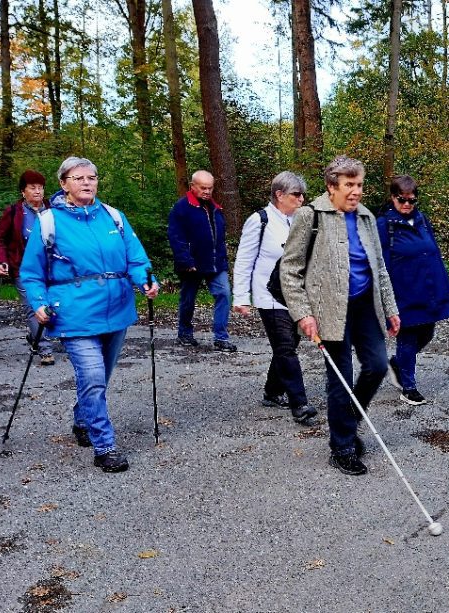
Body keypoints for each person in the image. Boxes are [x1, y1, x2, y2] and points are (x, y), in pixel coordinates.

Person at [20, 156, 159, 473]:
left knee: (101, 377)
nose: (86, 182)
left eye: (92, 177)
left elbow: (137, 260)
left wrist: (147, 282)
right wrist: (39, 301)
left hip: (117, 310)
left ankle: (83, 418)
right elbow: (30, 273)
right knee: (93, 377)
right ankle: (105, 447)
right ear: (64, 183)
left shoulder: (113, 217)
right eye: (78, 177)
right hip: (74, 313)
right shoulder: (49, 221)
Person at [281, 156, 400, 476]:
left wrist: (390, 308)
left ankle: (348, 419)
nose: (356, 191)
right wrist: (303, 314)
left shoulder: (365, 218)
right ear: (332, 187)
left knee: (376, 365)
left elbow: (380, 267)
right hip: (328, 309)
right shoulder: (310, 216)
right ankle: (342, 447)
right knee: (341, 379)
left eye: (359, 184)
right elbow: (290, 270)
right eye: (349, 185)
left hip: (364, 306)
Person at [232, 172, 317, 424]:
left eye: (303, 194)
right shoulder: (260, 220)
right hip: (267, 296)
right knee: (285, 347)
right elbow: (244, 260)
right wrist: (241, 296)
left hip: (294, 295)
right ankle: (299, 403)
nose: (301, 199)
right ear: (279, 195)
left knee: (288, 344)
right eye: (296, 194)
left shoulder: (301, 220)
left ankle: (271, 391)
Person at [377, 175, 449, 406]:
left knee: (427, 334)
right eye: (402, 200)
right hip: (403, 292)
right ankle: (408, 387)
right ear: (393, 198)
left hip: (428, 289)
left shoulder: (421, 220)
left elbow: (433, 252)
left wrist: (444, 285)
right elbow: (376, 261)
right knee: (408, 338)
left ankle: (398, 364)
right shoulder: (384, 225)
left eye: (412, 200)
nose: (407, 204)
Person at [167, 170, 236, 351]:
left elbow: (219, 236)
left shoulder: (215, 207)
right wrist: (185, 260)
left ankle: (221, 337)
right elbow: (175, 236)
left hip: (215, 263)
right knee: (188, 299)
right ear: (193, 186)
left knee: (224, 294)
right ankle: (185, 333)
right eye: (203, 188)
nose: (207, 191)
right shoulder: (181, 207)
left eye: (210, 188)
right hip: (192, 264)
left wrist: (223, 258)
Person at [0, 170, 55, 365]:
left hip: (51, 268)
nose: (37, 191)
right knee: (33, 306)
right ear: (23, 191)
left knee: (54, 305)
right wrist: (1, 260)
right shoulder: (14, 212)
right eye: (32, 188)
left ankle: (34, 336)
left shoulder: (52, 209)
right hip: (23, 269)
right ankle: (44, 349)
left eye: (40, 187)